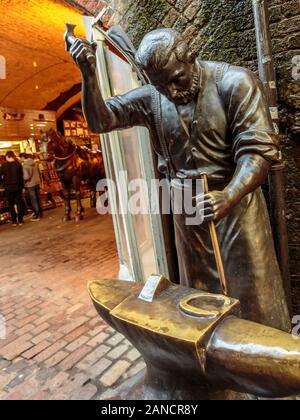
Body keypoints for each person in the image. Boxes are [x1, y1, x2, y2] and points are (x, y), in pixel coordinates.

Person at [69, 28, 290, 331]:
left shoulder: (235, 83)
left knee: (253, 290)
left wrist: (229, 194)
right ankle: (211, 366)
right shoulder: (153, 98)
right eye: (160, 85)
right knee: (199, 296)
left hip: (237, 204)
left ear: (190, 57)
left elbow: (258, 152)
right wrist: (90, 75)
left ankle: (265, 365)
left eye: (176, 79)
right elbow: (102, 120)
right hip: (188, 209)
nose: (171, 92)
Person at [0, 151, 24, 226]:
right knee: (19, 203)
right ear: (13, 156)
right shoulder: (18, 164)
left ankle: (14, 221)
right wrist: (23, 187)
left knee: (11, 204)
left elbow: (0, 177)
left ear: (7, 156)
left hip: (8, 187)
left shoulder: (3, 166)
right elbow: (21, 177)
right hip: (17, 186)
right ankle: (20, 221)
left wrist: (3, 184)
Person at [20, 153, 42, 221]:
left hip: (30, 184)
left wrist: (22, 179)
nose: (21, 159)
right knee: (38, 198)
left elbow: (26, 177)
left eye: (21, 158)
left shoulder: (25, 165)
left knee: (33, 200)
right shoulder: (35, 163)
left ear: (23, 157)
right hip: (37, 182)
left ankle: (37, 215)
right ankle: (41, 213)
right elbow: (39, 172)